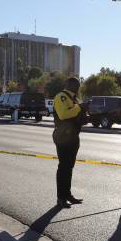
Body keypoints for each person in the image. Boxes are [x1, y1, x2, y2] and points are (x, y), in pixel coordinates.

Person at [52, 77, 88, 208]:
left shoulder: (74, 99)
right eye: (76, 85)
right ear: (70, 85)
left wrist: (84, 115)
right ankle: (60, 198)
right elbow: (63, 115)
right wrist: (80, 107)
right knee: (63, 167)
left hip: (73, 136)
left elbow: (75, 116)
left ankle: (67, 194)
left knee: (69, 167)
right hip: (62, 136)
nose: (77, 88)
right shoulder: (61, 96)